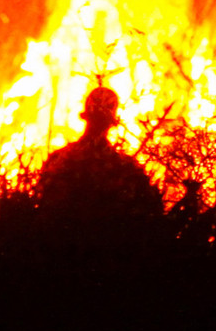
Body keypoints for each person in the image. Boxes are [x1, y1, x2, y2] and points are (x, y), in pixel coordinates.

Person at [36, 86, 163, 226]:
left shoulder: (57, 159)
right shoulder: (125, 168)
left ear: (86, 116)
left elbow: (43, 209)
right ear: (112, 120)